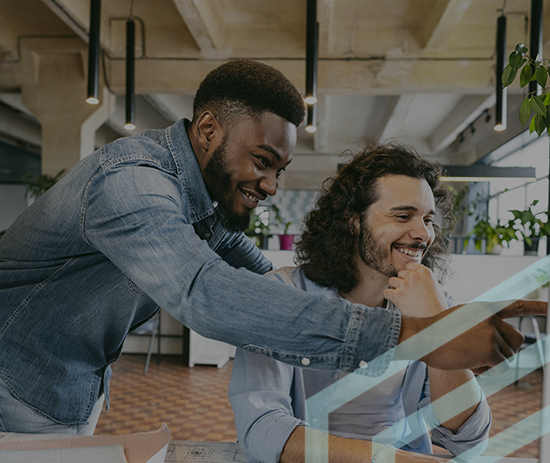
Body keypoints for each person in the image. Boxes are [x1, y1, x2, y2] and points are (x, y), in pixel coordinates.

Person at [0, 59, 542, 435]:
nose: (270, 186)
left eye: (279, 170)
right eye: (262, 162)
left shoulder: (203, 201)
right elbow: (205, 294)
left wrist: (449, 316)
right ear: (208, 130)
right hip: (14, 383)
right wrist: (412, 336)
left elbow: (264, 278)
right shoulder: (133, 184)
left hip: (71, 385)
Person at [229, 143, 493, 463]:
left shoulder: (433, 305)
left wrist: (437, 323)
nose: (423, 234)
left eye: (428, 219)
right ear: (353, 221)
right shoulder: (282, 295)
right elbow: (262, 428)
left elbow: (467, 438)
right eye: (403, 216)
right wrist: (385, 460)